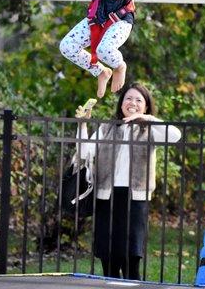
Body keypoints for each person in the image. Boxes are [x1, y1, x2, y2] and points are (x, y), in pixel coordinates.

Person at [75, 82, 181, 280]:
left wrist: (147, 119)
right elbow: (84, 152)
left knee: (131, 258)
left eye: (139, 100)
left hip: (135, 198)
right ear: (121, 104)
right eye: (128, 99)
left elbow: (175, 135)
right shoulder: (107, 127)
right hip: (106, 196)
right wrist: (82, 125)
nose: (133, 103)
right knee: (108, 257)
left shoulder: (150, 129)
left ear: (146, 106)